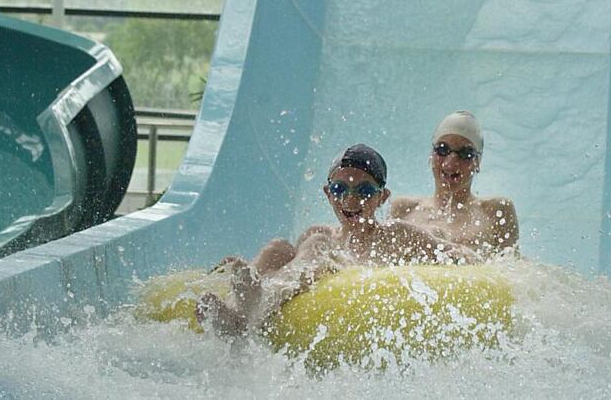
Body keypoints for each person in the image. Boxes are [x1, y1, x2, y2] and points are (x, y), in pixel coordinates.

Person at [196, 144, 478, 337]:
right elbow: (284, 262)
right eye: (339, 188)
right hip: (294, 277)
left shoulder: (396, 234)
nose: (350, 200)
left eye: (365, 190)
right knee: (281, 246)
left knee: (318, 245)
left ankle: (253, 310)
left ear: (383, 197)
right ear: (327, 193)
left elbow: (454, 254)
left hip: (335, 283)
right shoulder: (320, 232)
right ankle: (240, 304)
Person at [390, 111, 519, 258]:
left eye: (465, 153)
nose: (450, 163)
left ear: (477, 162)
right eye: (442, 149)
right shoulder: (403, 209)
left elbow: (513, 268)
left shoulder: (496, 211)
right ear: (431, 155)